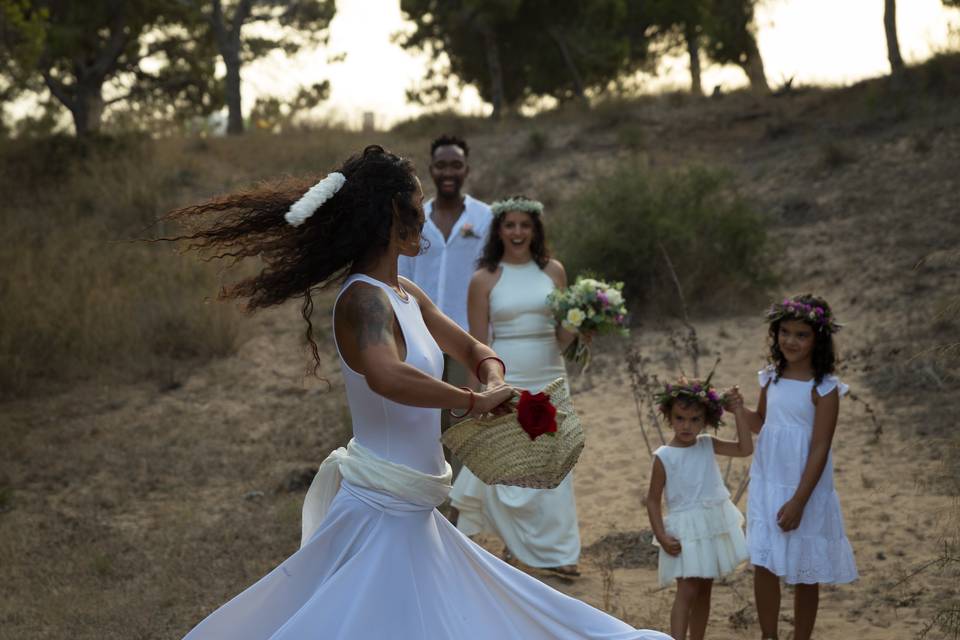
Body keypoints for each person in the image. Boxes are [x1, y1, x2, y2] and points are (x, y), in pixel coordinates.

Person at [168, 145, 671, 640]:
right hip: (382, 509)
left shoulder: (407, 295)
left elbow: (474, 347)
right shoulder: (364, 301)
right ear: (389, 215)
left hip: (416, 508)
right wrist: (472, 402)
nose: (424, 221)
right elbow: (387, 376)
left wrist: (493, 377)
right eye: (415, 206)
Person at [450, 195, 583, 577]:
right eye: (510, 225)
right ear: (499, 230)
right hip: (507, 376)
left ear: (535, 230)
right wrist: (477, 395)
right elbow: (477, 344)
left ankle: (560, 552)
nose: (518, 232)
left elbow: (561, 336)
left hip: (551, 370)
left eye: (525, 225)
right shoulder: (484, 279)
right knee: (509, 459)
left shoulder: (554, 271)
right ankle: (514, 543)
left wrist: (582, 326)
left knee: (557, 456)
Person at [728, 295, 858, 640]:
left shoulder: (824, 387)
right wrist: (739, 410)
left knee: (804, 569)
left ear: (818, 339)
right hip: (769, 481)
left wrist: (800, 500)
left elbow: (820, 446)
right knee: (764, 562)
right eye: (784, 332)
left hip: (806, 488)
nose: (791, 341)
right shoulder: (770, 377)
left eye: (801, 334)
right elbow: (763, 423)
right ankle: (768, 635)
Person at [646, 377, 752, 640]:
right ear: (669, 416)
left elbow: (744, 448)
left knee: (705, 588)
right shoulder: (664, 456)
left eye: (695, 419)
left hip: (711, 526)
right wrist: (660, 535)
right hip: (685, 531)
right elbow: (652, 499)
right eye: (680, 418)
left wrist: (738, 410)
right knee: (687, 591)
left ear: (706, 420)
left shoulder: (707, 444)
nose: (687, 425)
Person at [398, 134, 492, 400]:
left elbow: (492, 278)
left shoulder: (485, 217)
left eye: (456, 165)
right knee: (426, 417)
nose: (448, 172)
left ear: (467, 170)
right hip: (421, 338)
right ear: (431, 170)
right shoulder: (415, 219)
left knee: (464, 418)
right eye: (441, 165)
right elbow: (401, 275)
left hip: (467, 338)